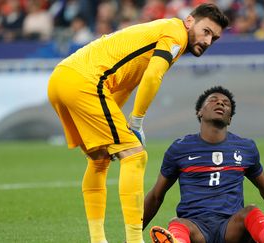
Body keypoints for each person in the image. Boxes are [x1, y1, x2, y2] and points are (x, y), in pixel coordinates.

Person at [47, 4, 229, 243]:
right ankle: (134, 240)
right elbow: (154, 75)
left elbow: (121, 83)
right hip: (85, 82)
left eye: (213, 38)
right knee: (135, 155)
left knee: (99, 159)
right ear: (189, 21)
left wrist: (121, 121)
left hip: (62, 79)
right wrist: (136, 121)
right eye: (206, 31)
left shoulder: (161, 32)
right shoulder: (175, 32)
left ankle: (97, 239)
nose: (207, 41)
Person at [143, 86, 264, 243]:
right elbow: (156, 196)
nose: (220, 103)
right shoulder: (179, 149)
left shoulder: (245, 147)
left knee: (251, 211)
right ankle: (177, 242)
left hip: (231, 229)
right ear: (199, 112)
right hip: (196, 229)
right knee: (177, 223)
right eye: (213, 100)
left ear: (230, 119)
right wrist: (133, 235)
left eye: (226, 103)